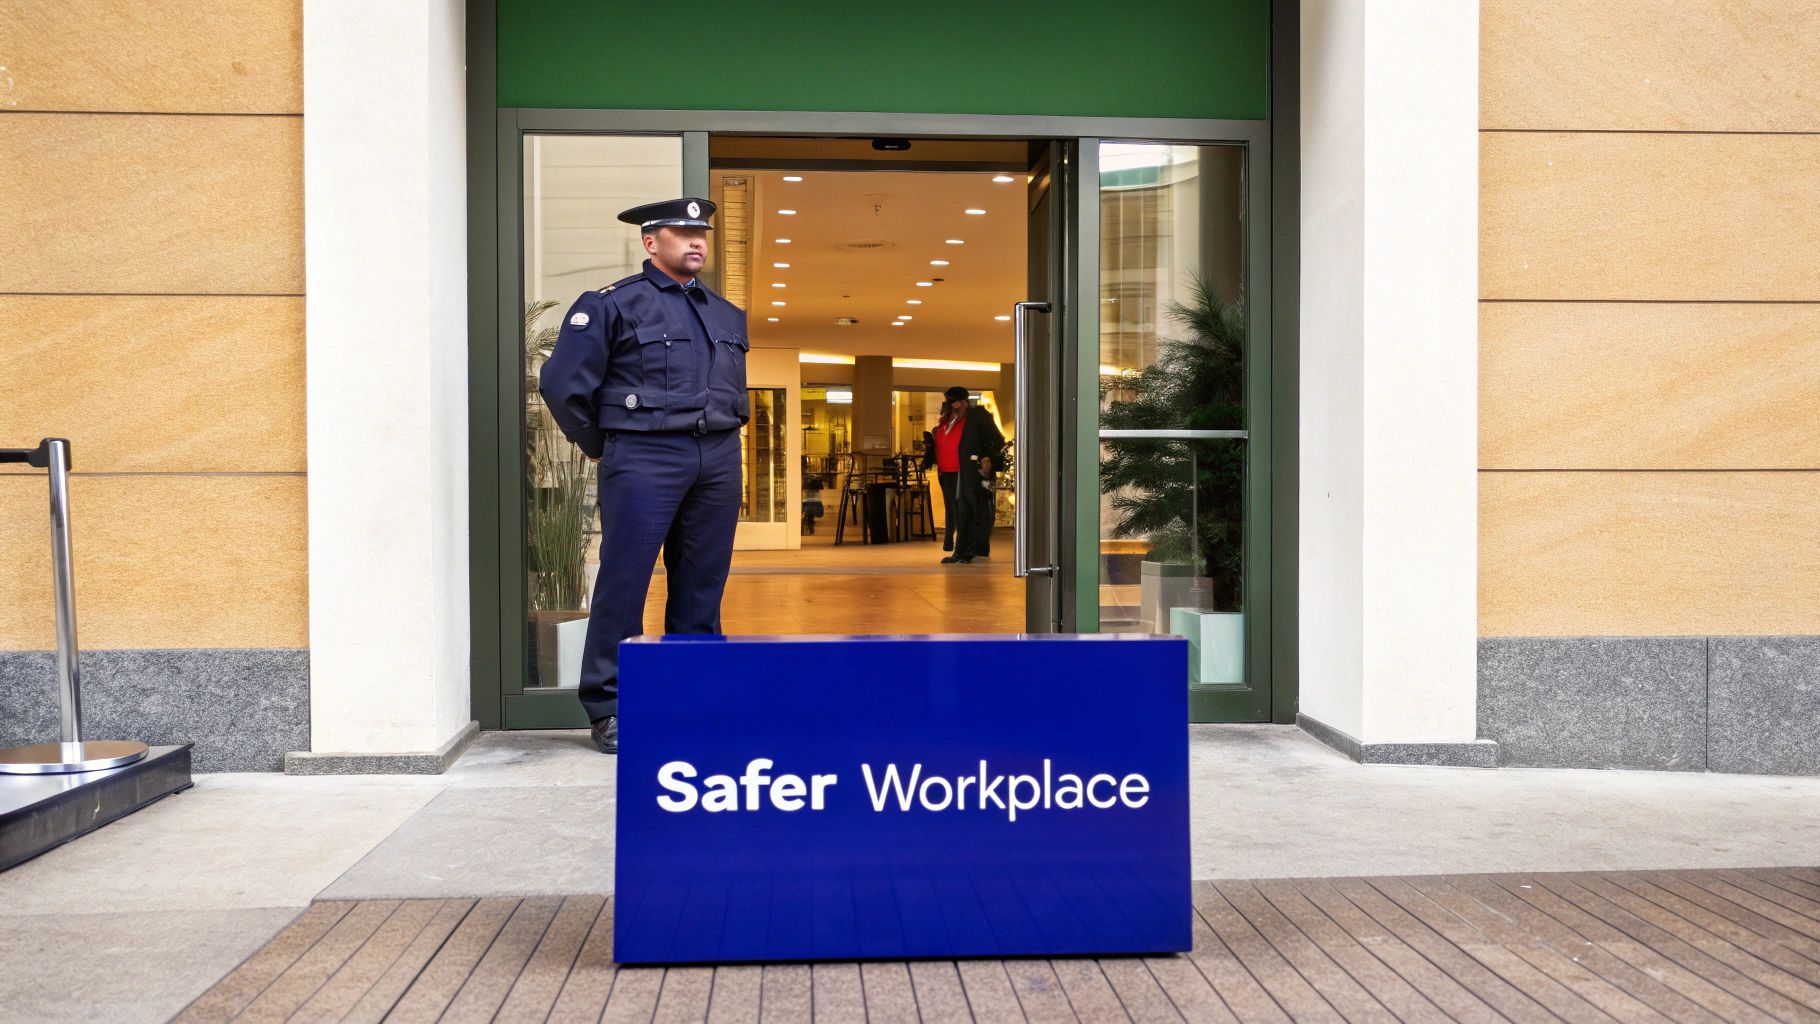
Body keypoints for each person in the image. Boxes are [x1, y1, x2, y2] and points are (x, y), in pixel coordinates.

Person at [538, 197, 748, 754]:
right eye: (681, 233)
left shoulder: (726, 314)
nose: (696, 241)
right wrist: (599, 447)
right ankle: (610, 706)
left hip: (719, 458)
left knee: (703, 583)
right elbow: (562, 384)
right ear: (651, 242)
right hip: (644, 456)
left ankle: (693, 697)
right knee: (625, 580)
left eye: (701, 232)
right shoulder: (612, 305)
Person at [931, 386, 1004, 565]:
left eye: (957, 402)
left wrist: (987, 459)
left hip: (968, 471)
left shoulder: (977, 416)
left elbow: (995, 439)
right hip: (949, 472)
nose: (955, 406)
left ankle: (963, 551)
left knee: (968, 509)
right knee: (956, 509)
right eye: (951, 402)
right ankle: (969, 548)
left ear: (964, 401)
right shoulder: (947, 419)